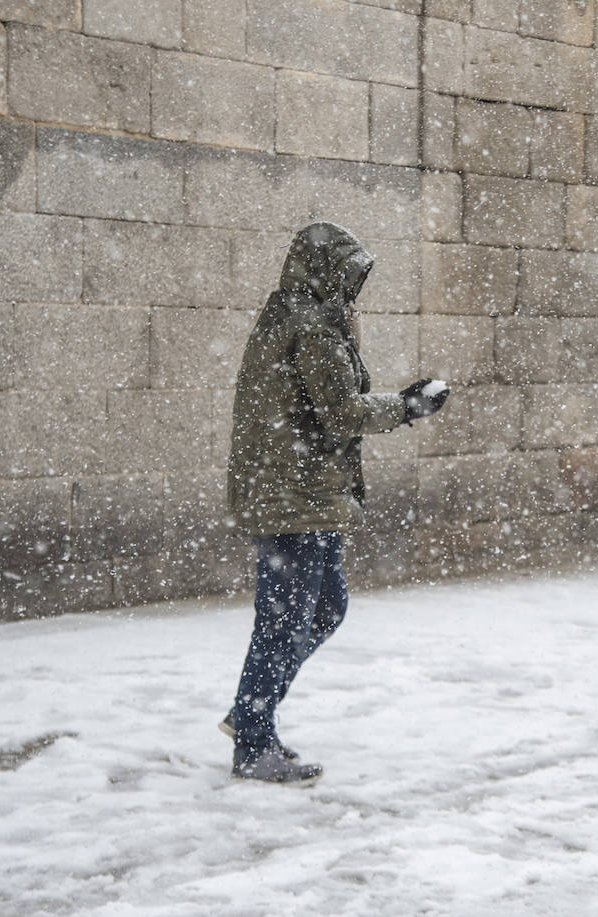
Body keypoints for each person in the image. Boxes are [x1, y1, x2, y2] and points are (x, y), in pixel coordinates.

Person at [222, 221, 449, 785]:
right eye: (350, 278)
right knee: (289, 619)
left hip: (296, 492)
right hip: (297, 497)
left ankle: (252, 715)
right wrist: (408, 406)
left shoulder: (288, 317)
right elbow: (342, 412)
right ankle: (252, 740)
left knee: (320, 610)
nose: (355, 291)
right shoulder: (314, 327)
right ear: (328, 275)